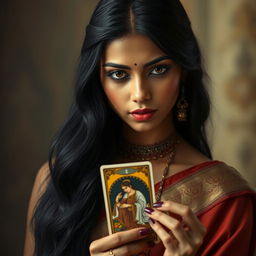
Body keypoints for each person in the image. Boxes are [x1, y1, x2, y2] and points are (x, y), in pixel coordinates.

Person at [23, 0, 256, 255]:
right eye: (119, 75)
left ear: (184, 71)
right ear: (97, 79)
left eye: (158, 70)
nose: (140, 94)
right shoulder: (58, 179)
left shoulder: (224, 200)